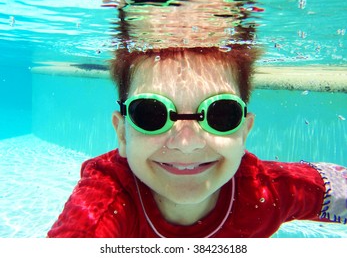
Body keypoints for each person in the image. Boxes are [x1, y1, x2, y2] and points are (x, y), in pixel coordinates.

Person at [47, 46, 347, 238]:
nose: (186, 144)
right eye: (152, 114)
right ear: (123, 133)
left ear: (244, 132)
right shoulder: (108, 199)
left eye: (220, 114)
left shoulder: (266, 192)